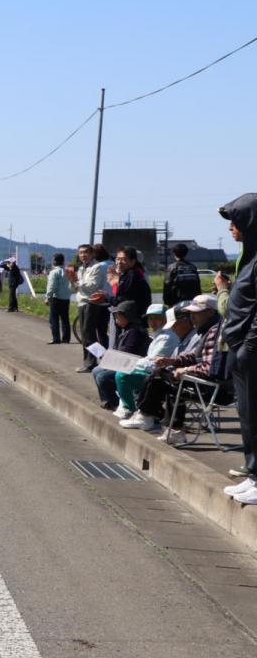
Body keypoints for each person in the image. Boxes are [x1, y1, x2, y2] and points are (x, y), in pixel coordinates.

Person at [122, 294, 222, 438]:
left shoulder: (214, 332)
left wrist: (185, 370)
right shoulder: (208, 330)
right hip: (206, 382)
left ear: (211, 312)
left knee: (168, 382)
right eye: (191, 313)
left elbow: (208, 368)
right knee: (161, 373)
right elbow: (194, 356)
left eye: (196, 313)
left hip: (213, 387)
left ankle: (170, 427)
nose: (192, 317)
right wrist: (171, 361)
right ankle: (149, 417)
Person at [218, 195, 257, 502]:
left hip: (250, 348)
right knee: (246, 413)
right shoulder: (249, 255)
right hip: (239, 345)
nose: (232, 227)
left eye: (236, 221)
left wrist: (248, 348)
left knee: (255, 412)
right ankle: (253, 472)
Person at [108, 305, 194, 419]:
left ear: (165, 319)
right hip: (157, 371)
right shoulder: (158, 334)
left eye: (157, 318)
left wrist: (130, 363)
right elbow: (150, 359)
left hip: (161, 374)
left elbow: (153, 362)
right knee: (108, 372)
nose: (152, 322)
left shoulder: (167, 337)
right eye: (150, 318)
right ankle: (128, 406)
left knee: (121, 375)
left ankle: (132, 409)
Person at [74, 244, 108, 372]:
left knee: (88, 335)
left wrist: (77, 283)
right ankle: (94, 360)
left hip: (91, 303)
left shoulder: (96, 267)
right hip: (82, 302)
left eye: (86, 252)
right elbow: (75, 287)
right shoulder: (81, 268)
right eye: (81, 253)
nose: (83, 255)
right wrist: (74, 283)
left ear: (92, 254)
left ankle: (97, 360)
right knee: (86, 334)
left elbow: (92, 286)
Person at [45, 252, 72, 344]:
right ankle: (66, 338)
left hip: (56, 298)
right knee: (65, 319)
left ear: (54, 261)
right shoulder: (67, 271)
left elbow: (51, 286)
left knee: (54, 319)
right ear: (63, 261)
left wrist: (48, 297)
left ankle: (56, 338)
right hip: (66, 298)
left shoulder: (54, 272)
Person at [163, 242, 202, 307]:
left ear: (174, 253)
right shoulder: (193, 267)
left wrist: (167, 302)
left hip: (177, 302)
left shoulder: (172, 267)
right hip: (193, 302)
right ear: (186, 253)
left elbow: (167, 285)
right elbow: (198, 285)